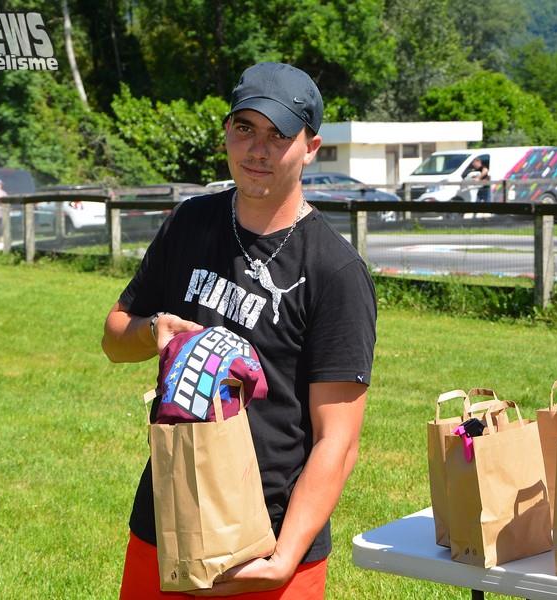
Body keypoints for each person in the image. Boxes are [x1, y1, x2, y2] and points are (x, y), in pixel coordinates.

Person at [102, 62, 377, 599]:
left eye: (279, 135)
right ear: (226, 132)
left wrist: (285, 557)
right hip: (169, 516)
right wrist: (153, 329)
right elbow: (114, 337)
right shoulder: (190, 224)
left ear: (311, 146)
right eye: (245, 128)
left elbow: (337, 441)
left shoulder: (334, 270)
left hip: (268, 542)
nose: (258, 150)